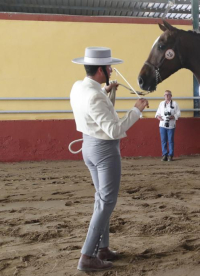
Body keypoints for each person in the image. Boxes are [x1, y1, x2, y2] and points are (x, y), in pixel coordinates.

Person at [70, 47, 149, 271]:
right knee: (106, 202)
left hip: (89, 147)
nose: (112, 70)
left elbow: (97, 113)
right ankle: (87, 256)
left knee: (101, 199)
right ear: (101, 70)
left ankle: (103, 248)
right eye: (109, 67)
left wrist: (108, 92)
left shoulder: (79, 87)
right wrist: (136, 110)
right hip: (104, 150)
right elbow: (113, 130)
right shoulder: (96, 95)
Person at [155, 90, 181, 161]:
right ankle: (164, 155)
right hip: (162, 124)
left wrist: (173, 117)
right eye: (165, 95)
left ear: (171, 96)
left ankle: (170, 155)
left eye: (168, 95)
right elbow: (157, 113)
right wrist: (158, 117)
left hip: (171, 125)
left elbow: (179, 113)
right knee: (163, 141)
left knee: (170, 141)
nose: (166, 96)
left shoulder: (175, 104)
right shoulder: (161, 104)